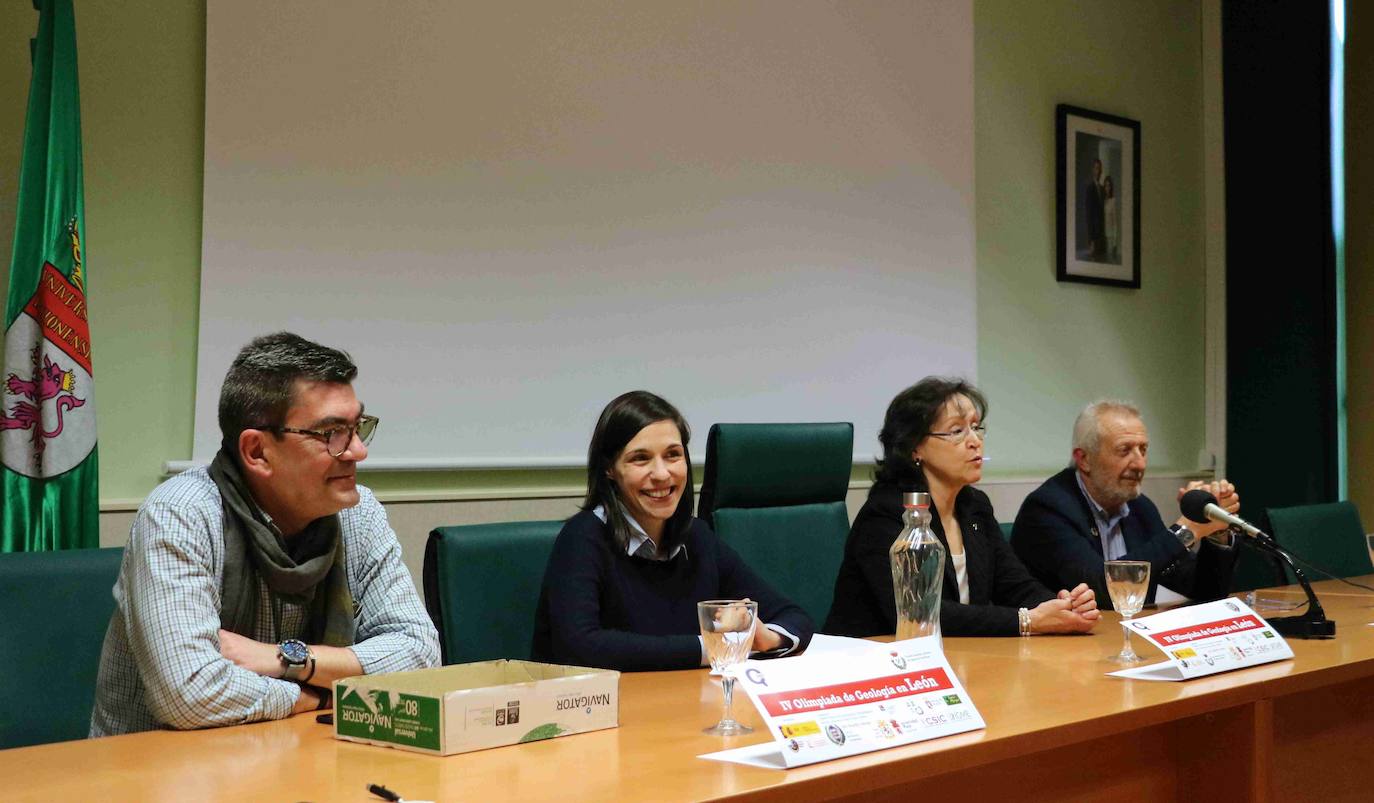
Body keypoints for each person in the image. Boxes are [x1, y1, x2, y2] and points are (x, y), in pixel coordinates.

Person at [90, 333, 439, 736]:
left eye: (358, 426)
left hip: (304, 759)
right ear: (257, 452)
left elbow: (421, 654)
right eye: (332, 434)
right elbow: (188, 694)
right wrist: (324, 697)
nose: (358, 451)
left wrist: (286, 659)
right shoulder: (181, 514)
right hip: (157, 778)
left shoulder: (358, 513)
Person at [531, 390, 814, 671]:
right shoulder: (583, 538)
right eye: (640, 458)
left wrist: (767, 638)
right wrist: (710, 648)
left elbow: (793, 616)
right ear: (609, 469)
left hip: (685, 701)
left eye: (673, 455)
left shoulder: (698, 538)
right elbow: (582, 647)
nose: (662, 474)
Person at [824, 378, 1098, 638]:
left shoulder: (974, 507)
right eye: (957, 431)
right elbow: (921, 615)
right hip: (873, 667)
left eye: (976, 427)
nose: (974, 440)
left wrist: (1062, 605)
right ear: (914, 448)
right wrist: (1026, 620)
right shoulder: (888, 515)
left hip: (958, 657)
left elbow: (1015, 585)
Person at [1011, 400, 1240, 609]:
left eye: (1143, 449)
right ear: (1084, 459)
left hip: (1129, 644)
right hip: (1056, 649)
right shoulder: (1047, 509)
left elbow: (1203, 589)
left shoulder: (1140, 508)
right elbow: (1101, 590)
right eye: (1125, 450)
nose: (1139, 463)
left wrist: (1214, 531)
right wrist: (1186, 530)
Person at [1083, 158, 1106, 260]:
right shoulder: (1089, 188)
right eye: (1096, 168)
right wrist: (1091, 240)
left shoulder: (1102, 188)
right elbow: (1089, 214)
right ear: (1093, 170)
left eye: (1100, 169)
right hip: (1094, 232)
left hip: (1101, 232)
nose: (1098, 171)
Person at [1103, 175, 1119, 262]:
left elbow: (1115, 222)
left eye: (1108, 185)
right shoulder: (1101, 200)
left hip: (1110, 236)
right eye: (1105, 185)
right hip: (1101, 236)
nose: (1107, 188)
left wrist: (1115, 243)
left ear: (1111, 187)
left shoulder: (1113, 201)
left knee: (1109, 260)